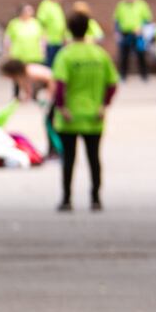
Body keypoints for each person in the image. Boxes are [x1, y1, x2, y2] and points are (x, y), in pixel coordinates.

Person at [51, 13, 119, 212]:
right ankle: (96, 198)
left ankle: (66, 199)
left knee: (69, 160)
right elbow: (113, 84)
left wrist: (62, 107)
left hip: (69, 117)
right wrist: (103, 105)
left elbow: (60, 85)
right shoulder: (99, 54)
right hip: (93, 116)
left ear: (69, 30)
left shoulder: (66, 55)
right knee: (94, 158)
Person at [113, 0, 152, 82]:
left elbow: (147, 19)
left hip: (138, 34)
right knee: (124, 56)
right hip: (125, 33)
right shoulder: (121, 5)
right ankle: (123, 76)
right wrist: (117, 31)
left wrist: (141, 27)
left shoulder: (142, 5)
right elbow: (116, 20)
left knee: (141, 54)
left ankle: (144, 76)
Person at [4, 3, 46, 91]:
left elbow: (42, 38)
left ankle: (32, 93)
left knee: (34, 75)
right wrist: (7, 51)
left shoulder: (36, 23)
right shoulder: (14, 23)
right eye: (27, 10)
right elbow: (8, 39)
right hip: (19, 54)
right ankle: (17, 93)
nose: (30, 12)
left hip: (33, 54)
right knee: (18, 75)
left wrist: (43, 50)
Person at [37, 0, 68, 64]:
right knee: (49, 65)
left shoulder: (57, 5)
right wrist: (44, 38)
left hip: (58, 41)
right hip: (49, 42)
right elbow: (41, 23)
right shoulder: (45, 5)